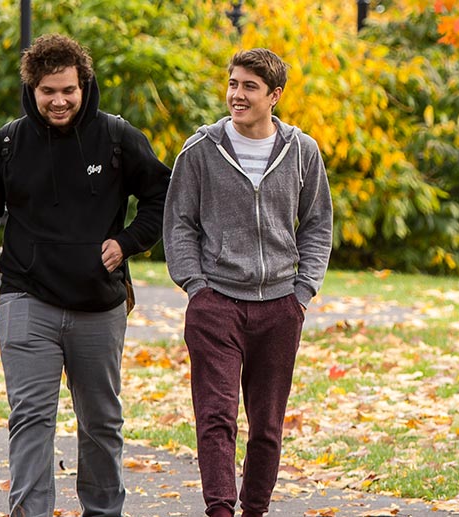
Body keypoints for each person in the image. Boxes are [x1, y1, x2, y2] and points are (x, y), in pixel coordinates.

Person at [0, 33, 171, 517]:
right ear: (32, 90)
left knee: (101, 421)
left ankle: (103, 512)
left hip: (98, 305)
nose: (59, 101)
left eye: (68, 90)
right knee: (31, 419)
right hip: (27, 298)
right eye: (48, 92)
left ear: (84, 85)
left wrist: (127, 242)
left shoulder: (117, 138)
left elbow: (163, 195)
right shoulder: (5, 146)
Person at [164, 48, 333, 517]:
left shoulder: (302, 151)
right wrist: (195, 287)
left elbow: (318, 223)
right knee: (215, 420)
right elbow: (179, 223)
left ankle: (254, 509)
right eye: (233, 84)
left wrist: (303, 292)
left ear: (274, 95)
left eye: (249, 87)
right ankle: (219, 510)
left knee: (266, 426)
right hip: (215, 302)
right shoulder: (201, 149)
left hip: (280, 307)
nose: (236, 95)